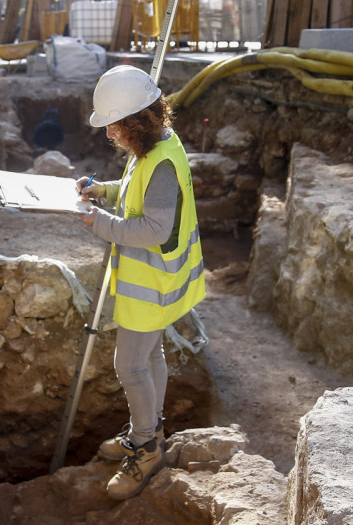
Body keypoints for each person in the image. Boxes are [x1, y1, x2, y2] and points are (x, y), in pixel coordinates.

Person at [75, 65, 206, 500]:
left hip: (151, 285)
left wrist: (100, 223)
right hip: (159, 283)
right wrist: (104, 192)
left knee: (129, 366)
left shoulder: (162, 163)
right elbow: (136, 191)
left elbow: (151, 228)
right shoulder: (155, 148)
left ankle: (146, 447)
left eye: (114, 125)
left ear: (135, 121)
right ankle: (149, 428)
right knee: (151, 358)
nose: (110, 134)